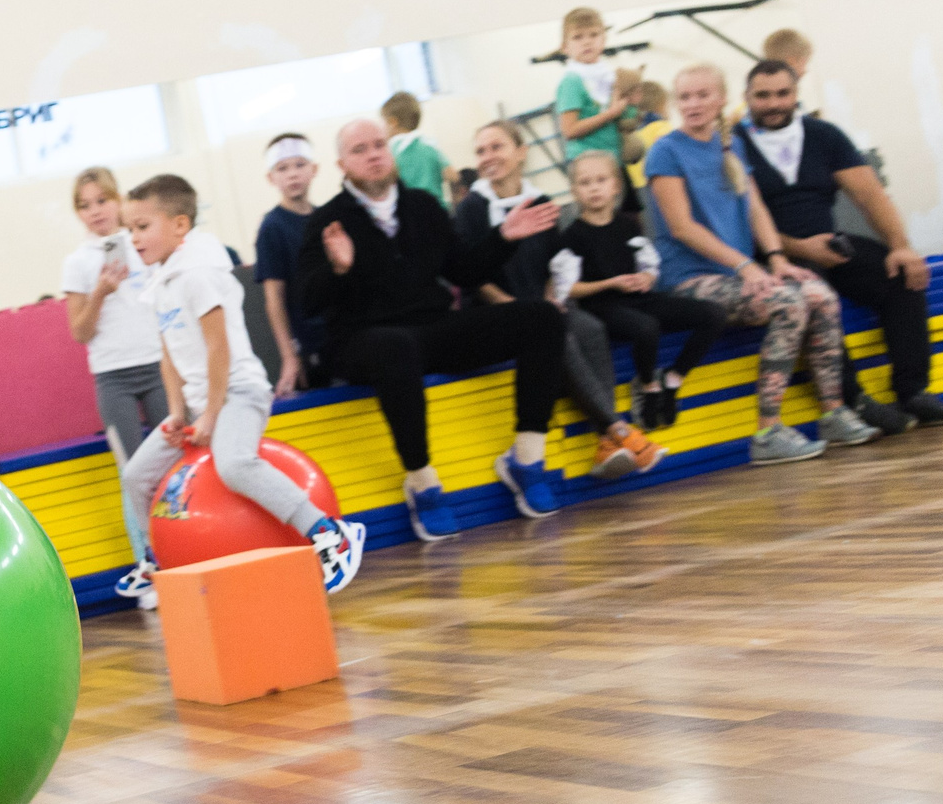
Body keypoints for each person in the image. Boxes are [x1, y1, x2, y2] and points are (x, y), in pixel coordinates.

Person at [293, 118, 569, 541]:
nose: (373, 155)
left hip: (431, 329)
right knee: (396, 345)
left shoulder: (422, 204)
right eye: (360, 149)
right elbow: (310, 302)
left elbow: (464, 270)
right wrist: (339, 268)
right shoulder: (327, 221)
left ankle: (526, 459)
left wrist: (503, 238)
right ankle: (422, 483)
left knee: (543, 317)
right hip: (359, 339)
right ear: (342, 164)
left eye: (379, 145)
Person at [117, 174, 363, 593]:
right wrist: (178, 414)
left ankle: (328, 533)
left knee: (233, 464)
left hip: (240, 394)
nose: (134, 238)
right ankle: (155, 561)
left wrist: (211, 413)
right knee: (136, 475)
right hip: (199, 406)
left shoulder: (199, 274)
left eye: (143, 227)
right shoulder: (160, 283)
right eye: (130, 230)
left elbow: (219, 348)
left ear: (179, 225)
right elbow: (168, 355)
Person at [645, 65, 880, 466]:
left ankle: (833, 412)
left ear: (721, 99)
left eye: (703, 95)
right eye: (685, 97)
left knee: (821, 295)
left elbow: (754, 207)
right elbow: (682, 227)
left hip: (738, 274)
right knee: (788, 304)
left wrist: (775, 259)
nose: (694, 104)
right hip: (690, 281)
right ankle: (768, 431)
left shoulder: (731, 145)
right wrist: (745, 267)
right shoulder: (666, 152)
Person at [737, 58, 943, 432]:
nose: (774, 103)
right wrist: (801, 249)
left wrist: (901, 245)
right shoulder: (734, 146)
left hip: (828, 244)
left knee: (901, 275)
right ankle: (852, 401)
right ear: (747, 97)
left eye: (783, 93)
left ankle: (913, 391)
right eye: (763, 96)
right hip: (771, 255)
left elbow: (870, 195)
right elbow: (742, 221)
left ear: (796, 94)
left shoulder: (824, 135)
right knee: (812, 295)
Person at [455, 122, 663, 479]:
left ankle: (607, 446)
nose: (488, 157)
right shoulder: (471, 209)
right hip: (495, 313)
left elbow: (556, 263)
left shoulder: (541, 202)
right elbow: (474, 278)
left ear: (521, 153)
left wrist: (552, 296)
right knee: (555, 335)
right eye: (481, 151)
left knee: (591, 328)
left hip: (539, 306)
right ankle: (619, 430)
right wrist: (520, 309)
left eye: (497, 147)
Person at [559, 151, 729, 432]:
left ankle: (673, 380)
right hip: (603, 306)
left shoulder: (628, 226)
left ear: (615, 186)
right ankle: (648, 386)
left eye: (601, 180)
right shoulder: (573, 236)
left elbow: (649, 263)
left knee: (713, 314)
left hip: (639, 299)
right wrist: (610, 283)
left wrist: (646, 277)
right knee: (646, 327)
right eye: (585, 182)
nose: (594, 188)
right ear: (575, 191)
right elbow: (569, 288)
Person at [60, 166, 167, 604]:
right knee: (134, 473)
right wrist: (101, 291)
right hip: (114, 378)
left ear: (117, 201)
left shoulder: (141, 244)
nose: (95, 211)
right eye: (84, 205)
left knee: (176, 463)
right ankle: (150, 566)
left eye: (101, 201)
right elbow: (80, 332)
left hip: (159, 368)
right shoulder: (78, 262)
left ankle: (187, 551)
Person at [251, 135, 330, 396]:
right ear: (271, 177)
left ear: (314, 169)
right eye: (282, 168)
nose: (292, 174)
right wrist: (290, 356)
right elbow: (274, 299)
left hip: (339, 334)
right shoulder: (272, 227)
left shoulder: (326, 219)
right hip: (308, 344)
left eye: (299, 165)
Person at [555, 7, 637, 172]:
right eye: (577, 37)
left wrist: (632, 105)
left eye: (594, 35)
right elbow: (569, 130)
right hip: (588, 165)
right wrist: (610, 114)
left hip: (614, 160)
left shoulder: (609, 75)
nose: (587, 42)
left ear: (604, 39)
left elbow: (623, 118)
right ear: (565, 47)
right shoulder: (572, 80)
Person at [381, 92, 452, 206]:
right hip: (439, 210)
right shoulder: (430, 144)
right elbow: (452, 175)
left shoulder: (391, 150)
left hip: (411, 214)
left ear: (392, 122)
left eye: (383, 123)